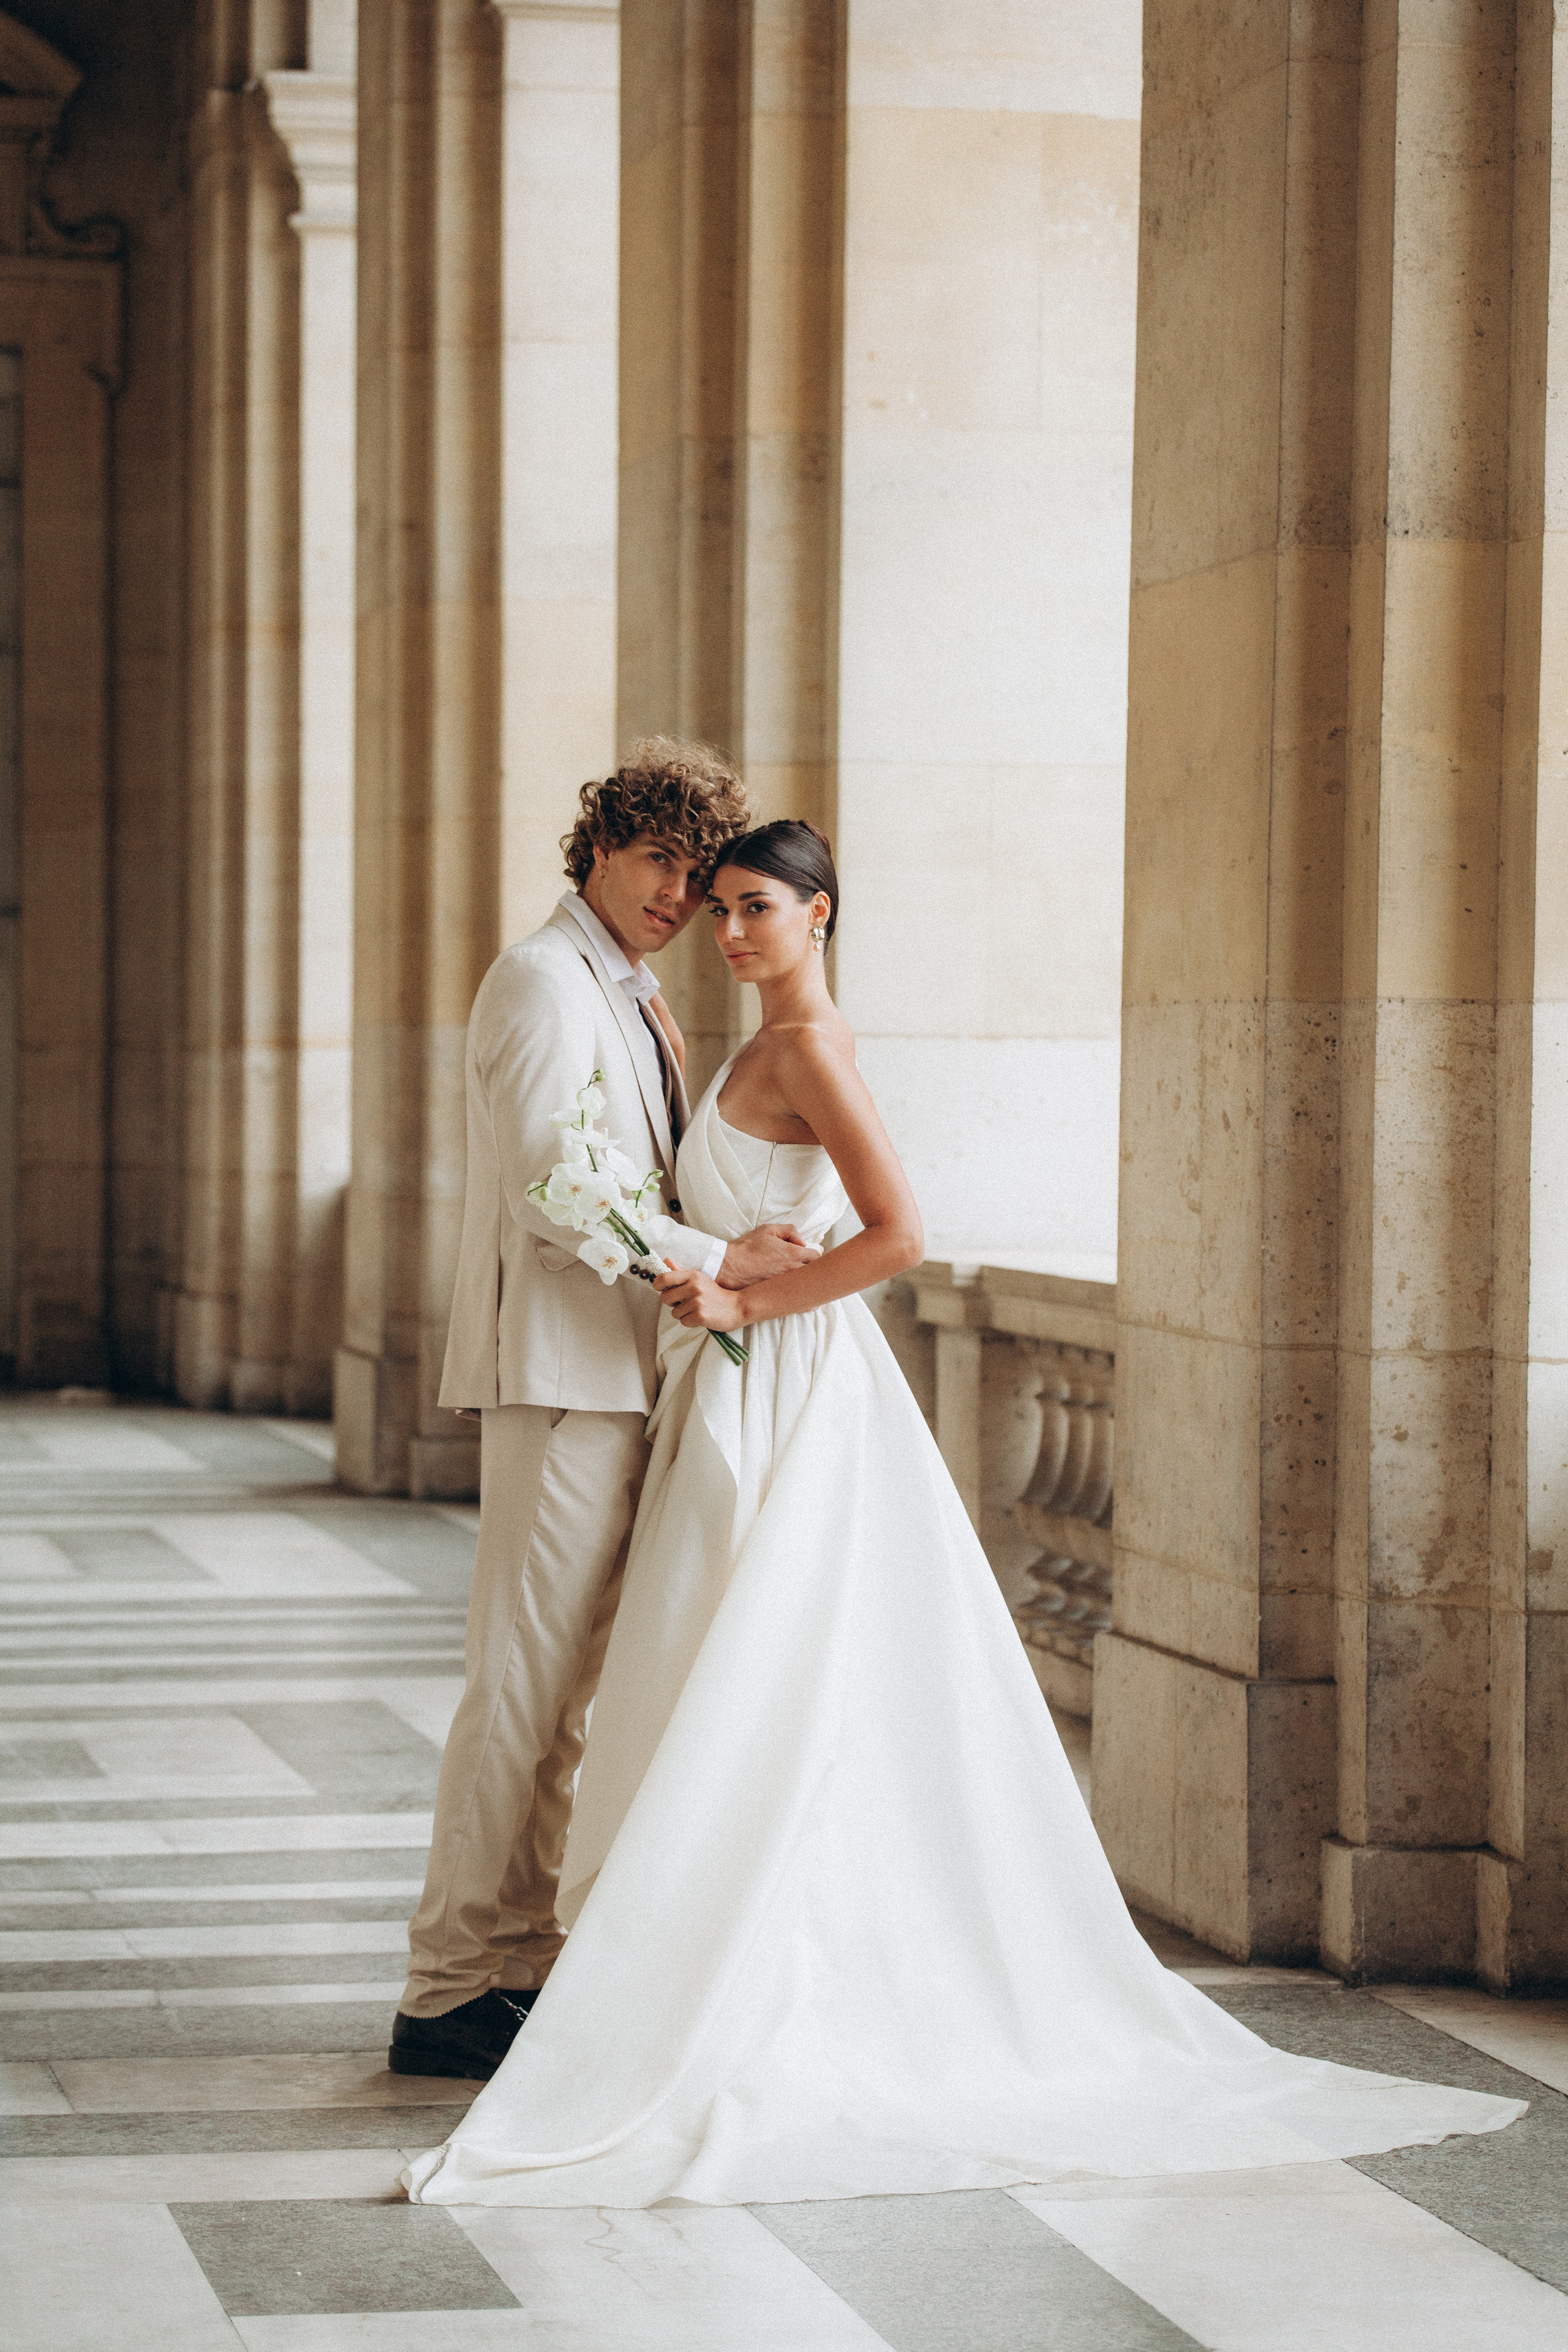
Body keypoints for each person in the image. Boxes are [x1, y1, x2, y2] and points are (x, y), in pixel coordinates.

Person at [404, 820, 1525, 2200]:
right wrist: (721, 1274)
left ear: (820, 914)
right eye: (713, 903)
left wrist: (743, 1298)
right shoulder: (700, 1024)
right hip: (716, 1383)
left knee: (758, 1668)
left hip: (779, 1379)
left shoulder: (807, 1045)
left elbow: (900, 1235)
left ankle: (716, 1973)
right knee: (709, 1670)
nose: (723, 926)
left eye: (752, 906)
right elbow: (586, 1177)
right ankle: (587, 1966)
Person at [390, 751, 822, 2083]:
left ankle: (517, 1960)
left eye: (700, 878)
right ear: (598, 850)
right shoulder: (540, 978)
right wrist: (714, 1258)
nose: (680, 897)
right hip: (561, 1372)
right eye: (659, 863)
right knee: (518, 1685)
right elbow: (548, 1184)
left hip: (627, 1371)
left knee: (565, 1694)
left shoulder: (627, 992)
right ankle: (444, 1987)